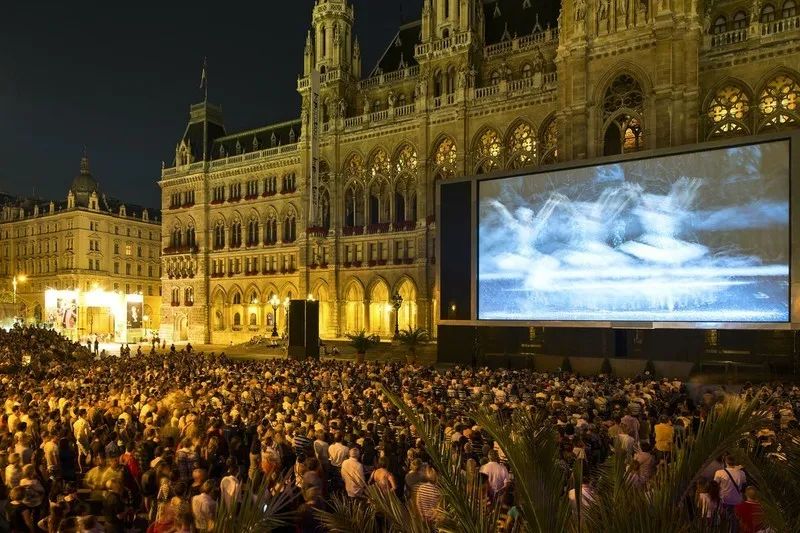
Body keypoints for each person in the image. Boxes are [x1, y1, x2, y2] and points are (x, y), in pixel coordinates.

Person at [714, 455, 746, 529]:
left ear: (725, 462)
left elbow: (715, 485)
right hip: (737, 500)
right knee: (734, 522)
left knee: (723, 521)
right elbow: (744, 486)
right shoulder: (742, 473)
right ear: (735, 462)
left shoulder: (719, 473)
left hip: (724, 500)